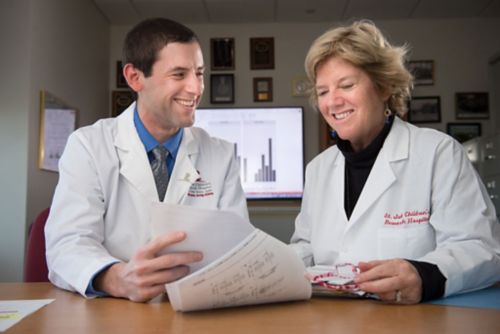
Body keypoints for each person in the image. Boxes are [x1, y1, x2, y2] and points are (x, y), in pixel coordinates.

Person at [290, 20, 500, 304]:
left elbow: (482, 249)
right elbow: (304, 249)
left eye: (347, 85)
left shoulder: (437, 153)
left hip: (415, 320)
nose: (332, 102)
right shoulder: (318, 169)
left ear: (384, 86)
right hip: (331, 320)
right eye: (323, 91)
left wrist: (423, 275)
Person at [45, 18, 248, 302]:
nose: (196, 88)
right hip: (113, 314)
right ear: (134, 78)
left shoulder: (221, 154)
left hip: (199, 310)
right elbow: (66, 246)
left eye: (199, 73)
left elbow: (236, 248)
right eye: (179, 74)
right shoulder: (89, 146)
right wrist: (116, 278)